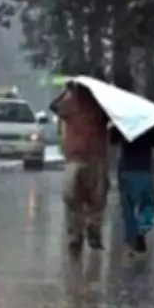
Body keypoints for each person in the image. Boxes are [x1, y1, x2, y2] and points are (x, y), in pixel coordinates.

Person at [49, 81, 110, 255]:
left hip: (81, 160)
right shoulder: (99, 107)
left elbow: (53, 106)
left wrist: (65, 91)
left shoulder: (72, 106)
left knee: (73, 200)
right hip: (93, 160)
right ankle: (90, 230)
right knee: (96, 200)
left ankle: (80, 234)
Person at [111, 124, 154, 254]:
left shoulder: (123, 121)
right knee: (148, 204)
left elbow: (112, 140)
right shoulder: (149, 122)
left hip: (126, 171)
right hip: (143, 169)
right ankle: (141, 230)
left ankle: (132, 240)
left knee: (128, 208)